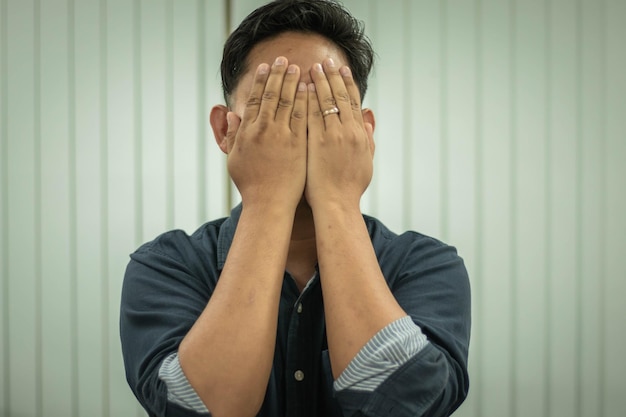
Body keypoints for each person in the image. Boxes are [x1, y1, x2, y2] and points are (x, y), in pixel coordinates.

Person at [119, 1, 471, 416]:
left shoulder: (426, 265)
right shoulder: (167, 266)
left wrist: (338, 199)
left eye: (329, 110)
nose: (302, 131)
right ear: (225, 131)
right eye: (275, 105)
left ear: (364, 134)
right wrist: (267, 197)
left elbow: (404, 404)